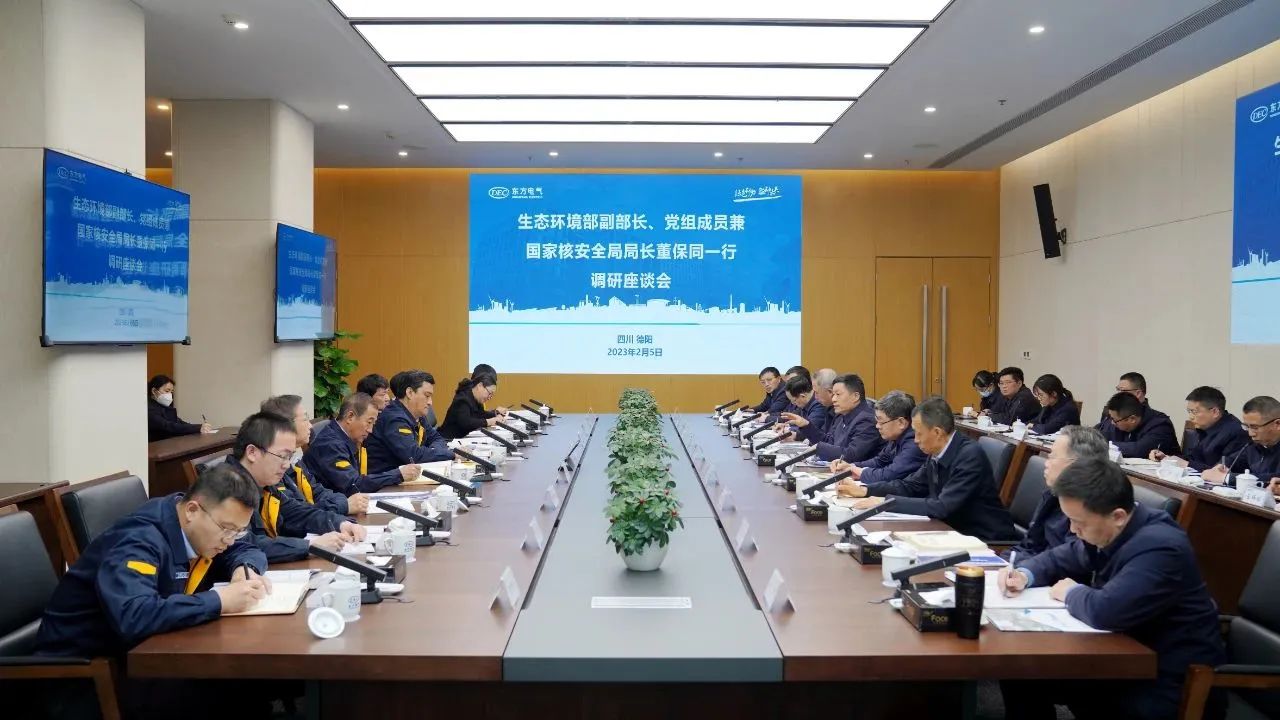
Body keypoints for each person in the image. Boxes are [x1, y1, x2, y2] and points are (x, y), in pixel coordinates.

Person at [999, 459, 1226, 720]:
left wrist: (1071, 592)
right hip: (1121, 658)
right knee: (1021, 670)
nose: (1072, 529)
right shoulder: (1112, 528)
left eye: (1078, 522)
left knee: (1030, 671)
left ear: (1117, 516)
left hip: (1167, 679)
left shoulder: (1161, 547)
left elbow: (1105, 610)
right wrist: (1025, 574)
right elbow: (1064, 556)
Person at [35, 463, 269, 658]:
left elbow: (246, 548)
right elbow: (134, 616)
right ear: (192, 510)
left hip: (141, 654)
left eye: (237, 531)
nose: (229, 540)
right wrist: (219, 600)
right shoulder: (139, 541)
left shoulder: (193, 523)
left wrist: (243, 568)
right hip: (82, 671)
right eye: (226, 529)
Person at [846, 397, 1018, 540]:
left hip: (983, 539)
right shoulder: (937, 449)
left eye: (919, 433)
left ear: (937, 432)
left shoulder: (969, 456)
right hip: (951, 530)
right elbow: (911, 485)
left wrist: (885, 502)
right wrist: (867, 490)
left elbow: (942, 506)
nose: (915, 440)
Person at [224, 412, 363, 563]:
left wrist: (340, 523)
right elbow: (246, 545)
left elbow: (297, 513)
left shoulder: (263, 483)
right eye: (282, 456)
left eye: (289, 457)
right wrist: (311, 546)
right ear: (252, 452)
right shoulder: (227, 488)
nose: (286, 465)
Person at [1007, 425, 1109, 559]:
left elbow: (1067, 561)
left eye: (1053, 457)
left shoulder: (1092, 508)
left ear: (1078, 465)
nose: (1046, 463)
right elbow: (1029, 546)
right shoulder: (1052, 494)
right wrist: (1005, 561)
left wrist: (1024, 568)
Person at [261, 395, 368, 516]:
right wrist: (343, 505)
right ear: (286, 425)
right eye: (305, 419)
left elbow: (317, 491)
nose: (310, 426)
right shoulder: (273, 467)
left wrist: (345, 502)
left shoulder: (294, 459)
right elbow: (295, 515)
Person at [306, 392, 422, 495]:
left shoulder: (348, 437)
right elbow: (353, 485)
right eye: (369, 422)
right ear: (350, 417)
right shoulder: (330, 444)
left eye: (373, 424)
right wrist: (398, 474)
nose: (370, 430)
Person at [833, 391, 927, 493]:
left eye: (881, 421)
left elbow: (890, 474)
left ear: (901, 423)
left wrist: (858, 472)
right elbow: (879, 461)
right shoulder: (896, 437)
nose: (877, 426)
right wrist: (851, 466)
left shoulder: (914, 442)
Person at [363, 370, 454, 473]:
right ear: (410, 393)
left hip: (407, 476)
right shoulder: (394, 419)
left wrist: (435, 451)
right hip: (386, 480)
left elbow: (436, 438)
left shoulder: (418, 415)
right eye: (427, 396)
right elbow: (414, 456)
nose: (430, 402)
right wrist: (451, 454)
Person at [1152, 386, 1249, 472]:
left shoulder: (1235, 432)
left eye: (1194, 412)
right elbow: (1195, 458)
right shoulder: (1206, 428)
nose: (1190, 417)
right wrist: (1168, 458)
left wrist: (1187, 464)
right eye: (1189, 411)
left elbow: (1221, 471)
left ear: (1215, 412)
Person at [1204, 395, 1280, 489]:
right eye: (1246, 426)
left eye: (1255, 427)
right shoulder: (1253, 445)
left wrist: (1227, 478)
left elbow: (1275, 478)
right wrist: (1220, 467)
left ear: (1277, 424)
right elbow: (1231, 460)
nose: (1250, 433)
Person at [813, 374, 883, 463]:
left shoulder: (867, 420)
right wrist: (806, 426)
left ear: (856, 396)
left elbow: (853, 455)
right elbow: (830, 442)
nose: (833, 399)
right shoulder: (842, 415)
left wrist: (820, 447)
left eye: (838, 394)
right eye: (833, 395)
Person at [1098, 391, 1180, 459]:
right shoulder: (1118, 420)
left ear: (1132, 419)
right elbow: (1096, 436)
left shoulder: (1161, 425)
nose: (1112, 423)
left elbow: (1139, 450)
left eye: (1114, 420)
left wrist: (1103, 446)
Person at [440, 372, 508, 439]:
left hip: (463, 438)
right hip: (448, 440)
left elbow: (480, 414)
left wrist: (495, 413)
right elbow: (466, 422)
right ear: (480, 386)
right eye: (489, 393)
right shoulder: (463, 399)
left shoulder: (476, 398)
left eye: (492, 395)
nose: (490, 397)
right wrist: (490, 421)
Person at [147, 374, 213, 441]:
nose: (170, 394)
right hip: (156, 446)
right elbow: (169, 426)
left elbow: (180, 423)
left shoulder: (165, 407)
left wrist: (201, 427)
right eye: (167, 391)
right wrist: (198, 428)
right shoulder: (149, 409)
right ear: (154, 391)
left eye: (171, 392)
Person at [776, 374, 828, 441]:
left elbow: (810, 429)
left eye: (794, 400)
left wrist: (790, 431)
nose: (793, 403)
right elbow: (799, 423)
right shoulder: (804, 404)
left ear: (802, 396)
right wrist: (786, 426)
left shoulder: (819, 405)